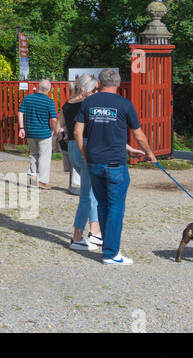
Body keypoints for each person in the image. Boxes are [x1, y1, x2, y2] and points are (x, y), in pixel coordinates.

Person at [74, 67, 157, 265]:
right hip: (115, 164)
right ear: (118, 83)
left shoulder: (88, 102)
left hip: (94, 161)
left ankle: (108, 247)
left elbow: (78, 132)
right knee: (116, 208)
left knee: (103, 205)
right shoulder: (124, 104)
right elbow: (138, 134)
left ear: (99, 84)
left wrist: (85, 154)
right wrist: (150, 153)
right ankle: (111, 253)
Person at [60, 74, 102, 251]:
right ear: (86, 89)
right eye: (94, 90)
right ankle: (78, 237)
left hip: (71, 148)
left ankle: (95, 232)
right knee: (86, 195)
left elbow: (60, 127)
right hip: (83, 146)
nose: (97, 93)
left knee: (90, 192)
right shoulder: (87, 104)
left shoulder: (67, 104)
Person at [17, 78, 58, 188]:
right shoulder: (49, 102)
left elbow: (20, 113)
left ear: (38, 87)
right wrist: (53, 131)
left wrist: (21, 128)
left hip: (30, 132)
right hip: (44, 133)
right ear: (48, 90)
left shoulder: (28, 98)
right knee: (44, 156)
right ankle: (42, 181)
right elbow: (54, 119)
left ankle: (33, 179)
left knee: (34, 155)